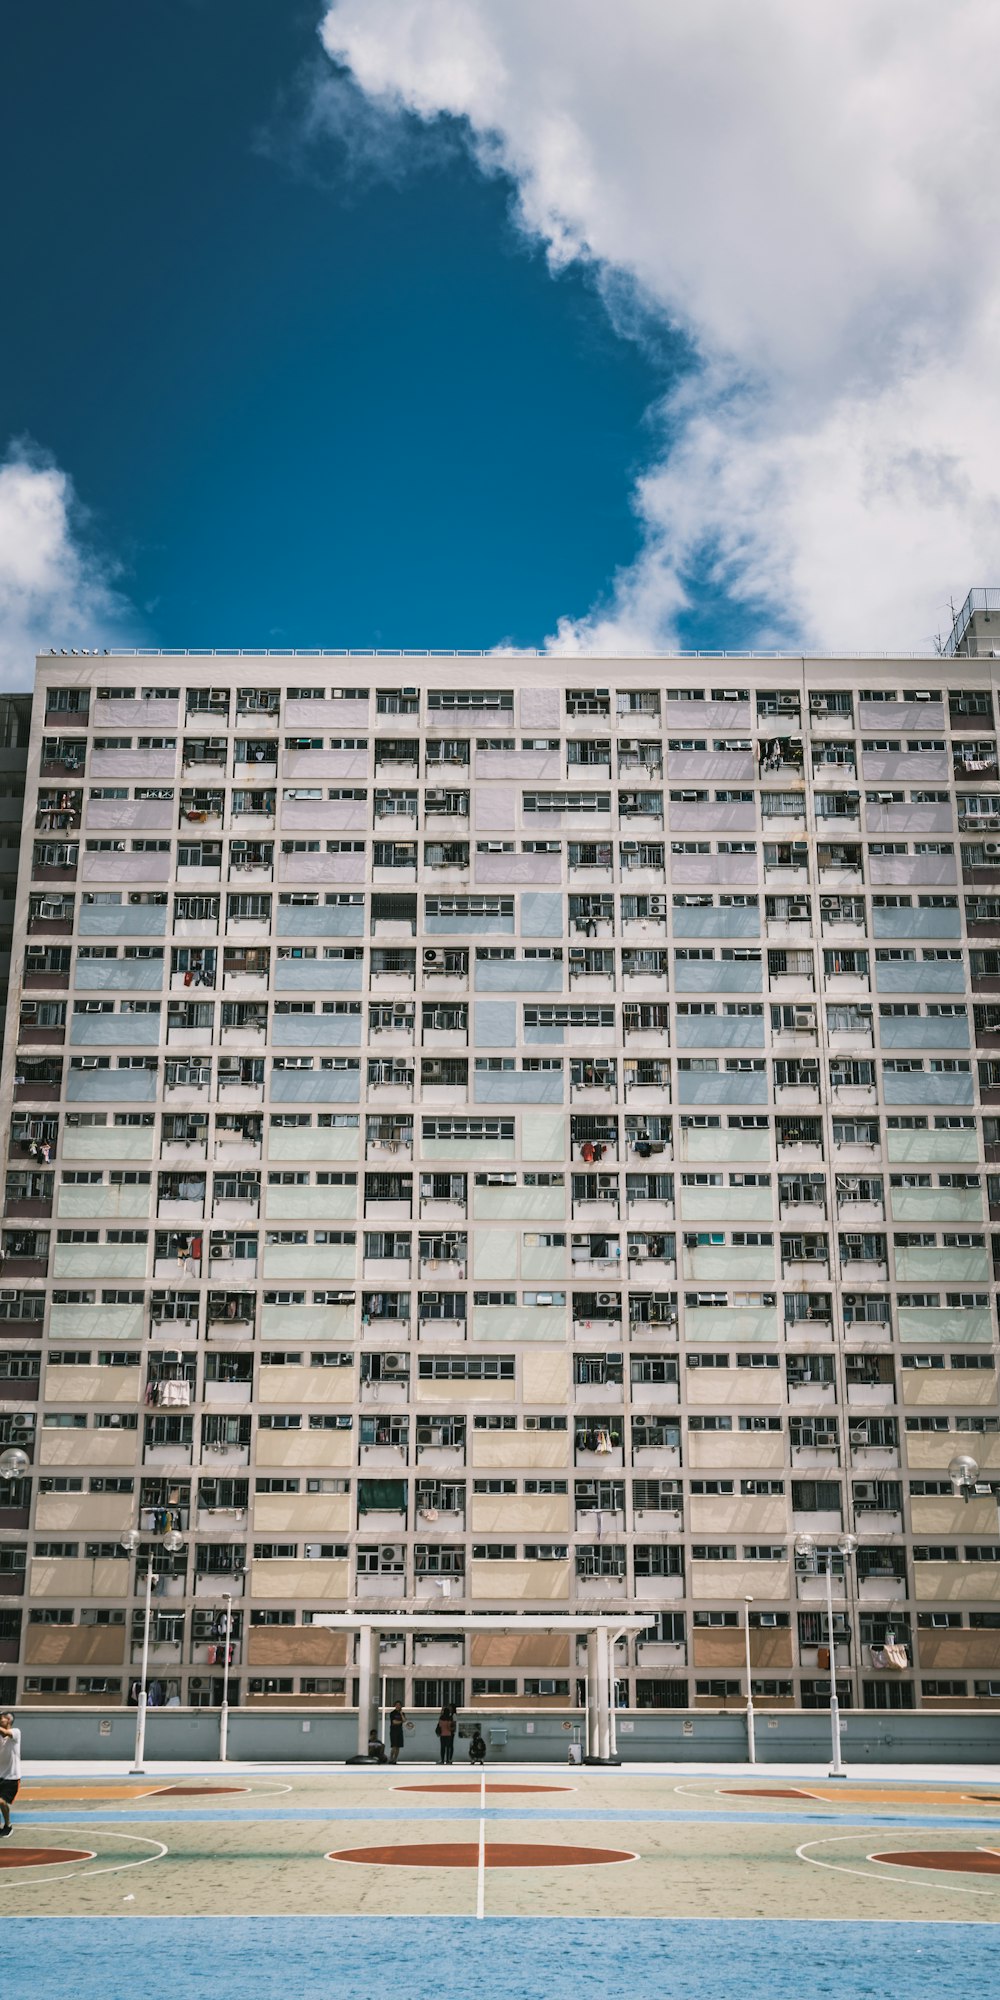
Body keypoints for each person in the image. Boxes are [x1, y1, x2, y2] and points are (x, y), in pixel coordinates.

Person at [0, 1712, 20, 1838]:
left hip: (11, 1777)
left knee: (1, 1802)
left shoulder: (16, 1732)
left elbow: (5, 1733)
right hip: (0, 1775)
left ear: (8, 1720)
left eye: (0, 1718)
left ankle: (8, 1825)